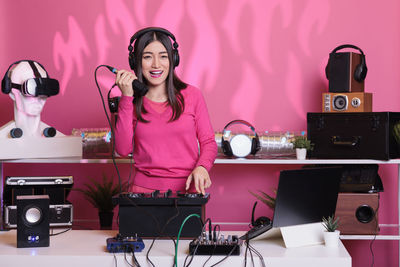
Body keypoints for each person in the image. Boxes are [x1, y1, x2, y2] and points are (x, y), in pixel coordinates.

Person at [114, 27, 217, 195]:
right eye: (147, 57)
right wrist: (126, 98)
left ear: (173, 59)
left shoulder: (192, 95)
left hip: (187, 192)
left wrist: (202, 167)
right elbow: (123, 150)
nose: (156, 64)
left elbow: (208, 142)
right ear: (136, 62)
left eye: (163, 56)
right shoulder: (131, 101)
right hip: (143, 194)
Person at [0, 60, 59, 138]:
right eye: (31, 90)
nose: (39, 99)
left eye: (44, 92)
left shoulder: (61, 141)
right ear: (12, 94)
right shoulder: (2, 140)